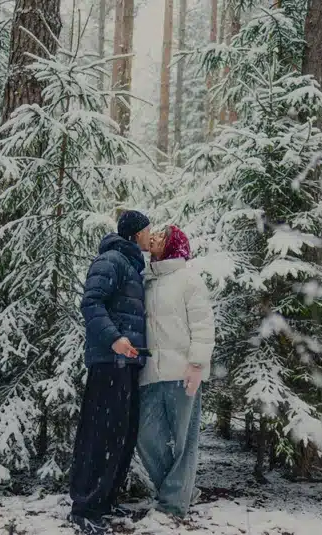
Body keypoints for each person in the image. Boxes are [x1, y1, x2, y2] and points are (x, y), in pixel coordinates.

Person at [68, 210, 152, 535]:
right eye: (147, 230)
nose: (150, 235)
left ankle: (103, 502)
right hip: (109, 362)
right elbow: (91, 303)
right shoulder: (112, 260)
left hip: (126, 364)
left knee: (121, 435)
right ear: (134, 234)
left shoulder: (131, 266)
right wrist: (116, 340)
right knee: (99, 435)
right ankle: (83, 509)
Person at [137, 225, 215, 518]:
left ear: (173, 245)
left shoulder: (188, 280)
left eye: (162, 236)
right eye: (153, 233)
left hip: (183, 373)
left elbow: (204, 326)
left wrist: (197, 364)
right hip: (149, 375)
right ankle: (182, 490)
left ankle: (172, 506)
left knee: (185, 441)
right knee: (145, 438)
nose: (154, 237)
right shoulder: (145, 280)